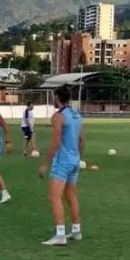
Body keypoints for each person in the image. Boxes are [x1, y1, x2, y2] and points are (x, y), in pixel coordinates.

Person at [38, 85, 84, 246]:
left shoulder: (58, 116)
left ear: (57, 97)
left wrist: (45, 164)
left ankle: (60, 235)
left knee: (55, 197)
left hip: (62, 162)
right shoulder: (77, 115)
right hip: (74, 160)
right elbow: (81, 140)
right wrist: (79, 158)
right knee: (71, 196)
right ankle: (76, 230)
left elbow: (56, 142)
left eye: (53, 97)